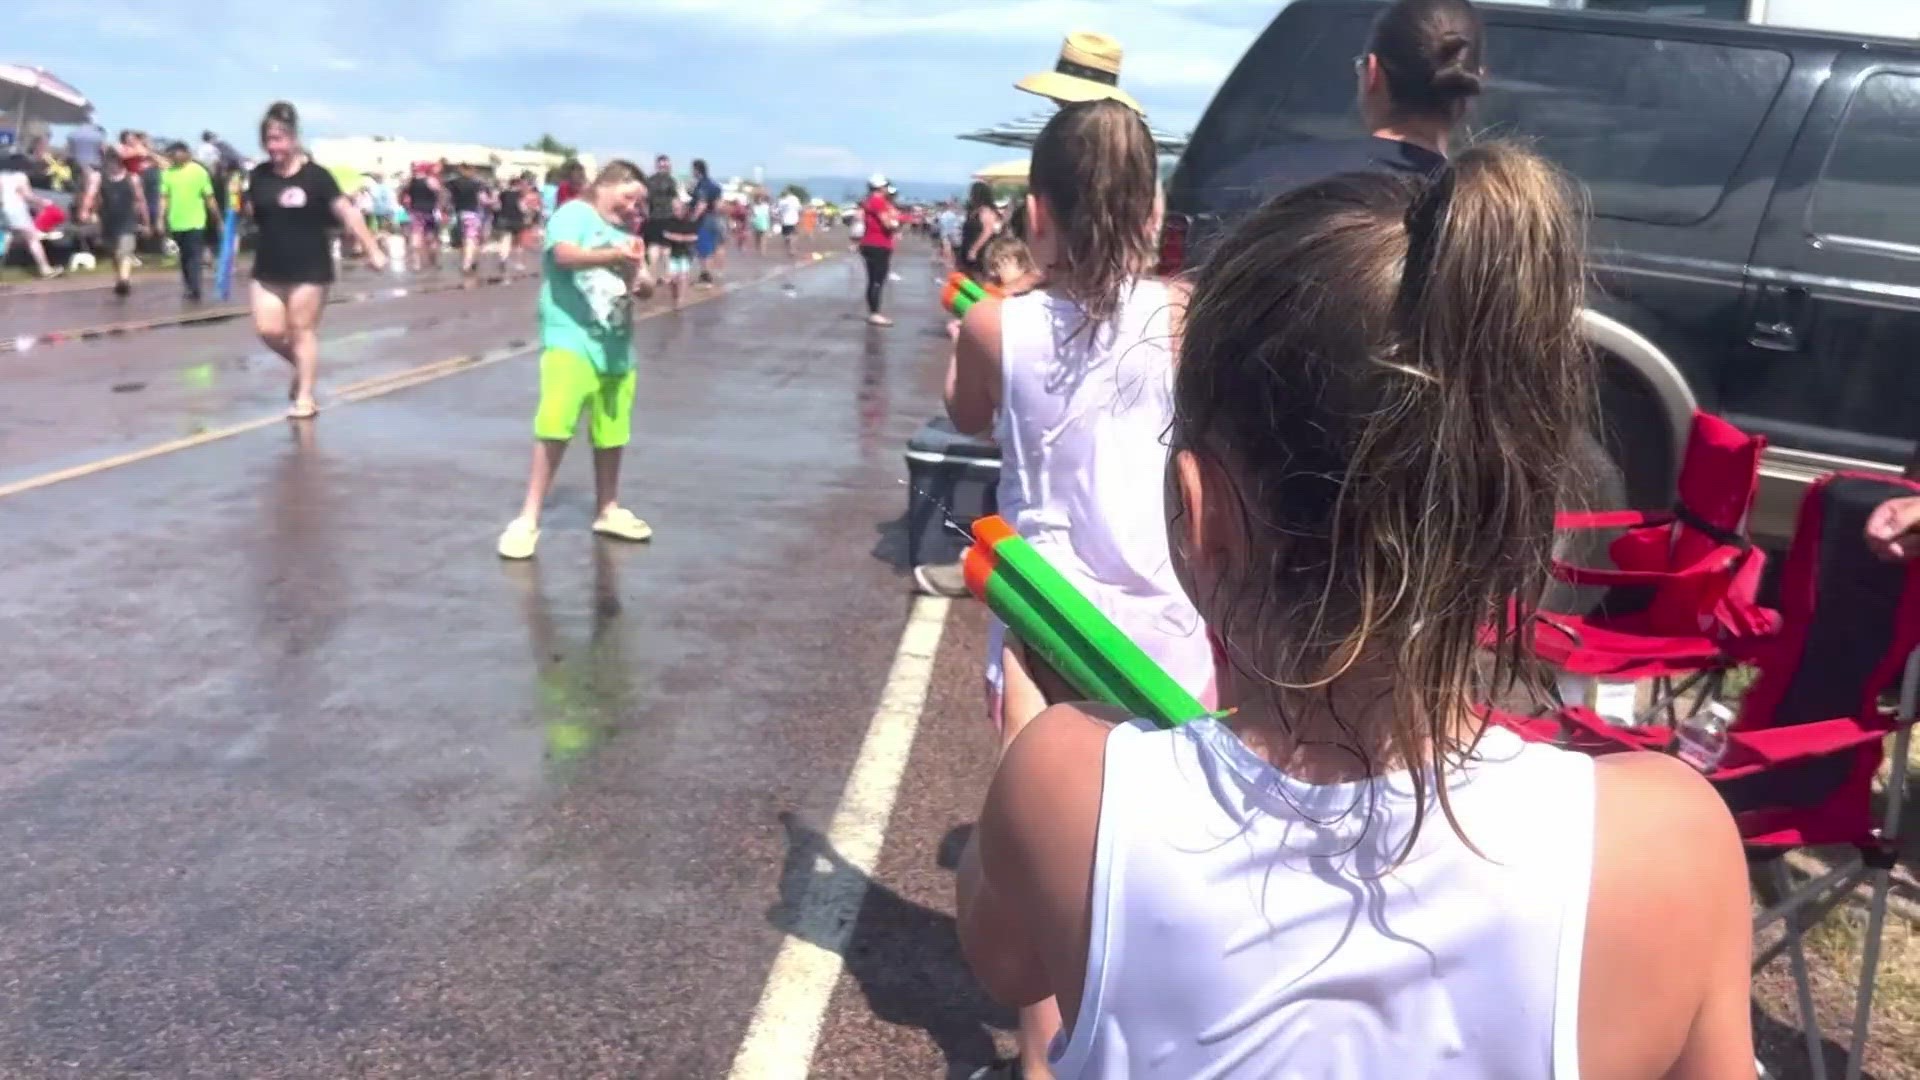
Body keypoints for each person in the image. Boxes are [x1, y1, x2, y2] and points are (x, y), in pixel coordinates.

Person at [959, 122, 1758, 1077]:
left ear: (1197, 515)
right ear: (1512, 517)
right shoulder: (1669, 846)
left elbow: (1005, 960)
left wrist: (1035, 719)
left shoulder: (1066, 787)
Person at [944, 100, 1215, 1079]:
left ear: (1040, 211)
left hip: (1044, 621)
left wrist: (1015, 287)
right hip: (1172, 617)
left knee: (1051, 866)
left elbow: (967, 414)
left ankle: (1044, 1063)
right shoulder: (1184, 315)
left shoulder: (992, 323)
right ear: (1151, 211)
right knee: (1163, 853)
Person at [497, 160, 657, 561]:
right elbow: (565, 255)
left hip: (616, 343)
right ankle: (527, 518)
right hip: (570, 338)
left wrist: (640, 275)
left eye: (639, 203)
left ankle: (608, 508)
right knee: (555, 424)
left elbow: (646, 286)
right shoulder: (574, 214)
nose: (632, 208)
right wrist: (610, 255)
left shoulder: (626, 234)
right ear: (607, 184)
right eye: (628, 198)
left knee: (612, 429)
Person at [245, 101, 385, 420]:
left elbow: (347, 212)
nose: (273, 146)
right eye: (268, 140)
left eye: (279, 139)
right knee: (268, 330)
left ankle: (305, 396)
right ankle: (302, 366)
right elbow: (255, 214)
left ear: (294, 138)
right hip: (268, 267)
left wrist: (371, 247)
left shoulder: (317, 177)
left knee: (301, 330)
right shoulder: (258, 176)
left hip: (310, 267)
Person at [82, 146, 149, 296]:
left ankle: (124, 280)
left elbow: (141, 200)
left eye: (116, 161)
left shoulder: (132, 178)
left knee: (124, 251)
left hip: (128, 220)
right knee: (114, 253)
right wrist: (85, 211)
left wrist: (146, 221)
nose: (113, 165)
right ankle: (120, 277)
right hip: (108, 221)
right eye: (110, 161)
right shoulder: (99, 177)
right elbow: (90, 195)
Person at [158, 142, 219, 301]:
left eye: (175, 154)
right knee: (184, 256)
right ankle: (189, 285)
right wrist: (160, 218)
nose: (173, 158)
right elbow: (164, 198)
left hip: (196, 221)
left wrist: (217, 217)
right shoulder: (168, 174)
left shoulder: (199, 171)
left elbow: (209, 197)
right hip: (177, 221)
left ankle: (195, 287)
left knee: (194, 255)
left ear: (185, 153)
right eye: (171, 155)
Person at [0, 160, 57, 278]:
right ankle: (45, 269)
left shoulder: (1, 176)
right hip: (16, 209)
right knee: (32, 238)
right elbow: (28, 195)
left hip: (3, 209)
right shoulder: (20, 176)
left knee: (6, 239)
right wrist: (42, 202)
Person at [857, 174, 899, 327]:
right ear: (881, 187)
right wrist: (895, 224)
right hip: (878, 244)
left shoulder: (870, 201)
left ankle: (874, 312)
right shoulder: (878, 201)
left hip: (870, 243)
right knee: (877, 281)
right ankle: (875, 313)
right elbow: (887, 224)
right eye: (886, 186)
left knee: (873, 280)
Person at [446, 162, 487, 275]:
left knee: (462, 240)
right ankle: (467, 264)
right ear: (471, 170)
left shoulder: (452, 183)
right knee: (471, 239)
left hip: (458, 213)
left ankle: (468, 261)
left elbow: (447, 196)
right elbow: (483, 200)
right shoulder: (477, 184)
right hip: (472, 214)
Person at [642, 154, 679, 277]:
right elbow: (675, 202)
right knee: (666, 248)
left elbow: (645, 201)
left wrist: (646, 216)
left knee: (653, 246)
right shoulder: (670, 181)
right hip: (667, 217)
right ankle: (666, 275)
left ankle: (652, 275)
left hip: (653, 218)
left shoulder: (649, 180)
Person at [957, 181, 1001, 281]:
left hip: (980, 250)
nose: (970, 195)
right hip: (968, 246)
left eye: (972, 193)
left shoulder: (986, 210)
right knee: (968, 277)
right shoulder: (975, 210)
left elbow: (988, 231)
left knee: (979, 277)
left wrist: (974, 249)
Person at [689, 158, 723, 286]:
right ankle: (715, 273)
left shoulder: (702, 185)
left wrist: (693, 218)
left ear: (697, 170)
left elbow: (702, 204)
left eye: (693, 169)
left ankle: (706, 276)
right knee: (714, 247)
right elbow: (719, 205)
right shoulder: (714, 185)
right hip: (715, 218)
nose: (692, 172)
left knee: (704, 249)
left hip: (704, 220)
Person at [403, 163, 443, 272]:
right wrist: (440, 207)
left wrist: (405, 206)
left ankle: (416, 264)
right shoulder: (431, 180)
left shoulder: (409, 181)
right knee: (432, 237)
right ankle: (433, 262)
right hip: (430, 211)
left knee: (416, 236)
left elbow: (402, 195)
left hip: (415, 211)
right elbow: (440, 195)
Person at [659, 199, 699, 308]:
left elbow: (695, 237)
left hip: (686, 253)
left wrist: (679, 238)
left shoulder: (690, 222)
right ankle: (675, 296)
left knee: (683, 277)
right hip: (672, 252)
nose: (676, 211)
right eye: (674, 209)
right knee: (672, 280)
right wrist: (680, 238)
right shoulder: (669, 222)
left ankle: (680, 300)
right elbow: (665, 236)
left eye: (678, 209)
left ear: (684, 210)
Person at [492, 173, 535, 273]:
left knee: (505, 240)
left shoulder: (503, 193)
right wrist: (528, 214)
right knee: (518, 243)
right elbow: (523, 208)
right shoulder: (520, 195)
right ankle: (518, 263)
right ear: (518, 184)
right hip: (517, 220)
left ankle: (503, 259)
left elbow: (497, 206)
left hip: (504, 219)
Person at [777, 188, 803, 258]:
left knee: (786, 236)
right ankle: (792, 249)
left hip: (784, 221)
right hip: (794, 220)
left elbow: (779, 211)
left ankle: (789, 250)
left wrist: (780, 218)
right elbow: (800, 209)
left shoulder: (781, 201)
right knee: (794, 235)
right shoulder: (794, 199)